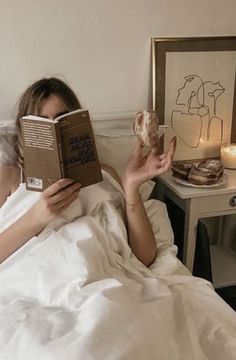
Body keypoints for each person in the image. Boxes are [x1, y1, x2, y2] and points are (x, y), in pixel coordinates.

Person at [0, 77, 176, 266]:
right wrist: (36, 217)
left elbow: (144, 257)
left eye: (62, 120)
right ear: (24, 130)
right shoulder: (9, 178)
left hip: (101, 272)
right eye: (42, 123)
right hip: (42, 277)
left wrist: (131, 187)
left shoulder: (104, 174)